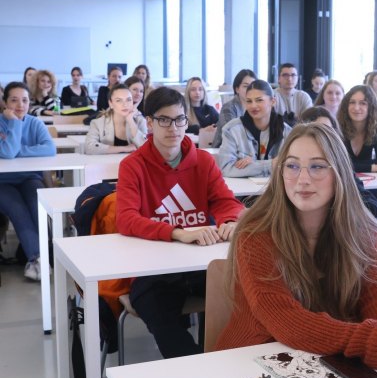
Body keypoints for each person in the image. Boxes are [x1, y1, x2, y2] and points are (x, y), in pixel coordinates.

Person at [215, 123, 377, 369]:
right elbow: (285, 319)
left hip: (329, 362)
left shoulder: (366, 234)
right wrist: (366, 339)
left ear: (340, 174)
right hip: (254, 363)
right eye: (292, 166)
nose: (303, 179)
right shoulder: (255, 235)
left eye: (317, 167)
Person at [116, 86, 244, 358]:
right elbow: (126, 219)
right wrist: (177, 232)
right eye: (164, 120)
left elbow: (225, 201)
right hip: (154, 271)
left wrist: (230, 220)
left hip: (199, 264)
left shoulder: (203, 162)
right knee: (159, 313)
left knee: (238, 293)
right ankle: (197, 373)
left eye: (179, 120)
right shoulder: (133, 165)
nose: (173, 128)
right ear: (149, 122)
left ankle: (222, 361)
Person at [0, 82, 56, 281]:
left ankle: (39, 257)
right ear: (5, 102)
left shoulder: (35, 122)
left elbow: (50, 148)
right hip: (3, 182)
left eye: (24, 100)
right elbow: (6, 152)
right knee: (17, 208)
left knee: (36, 205)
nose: (20, 105)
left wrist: (18, 152)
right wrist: (14, 123)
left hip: (30, 178)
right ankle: (38, 258)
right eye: (13, 100)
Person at [299, 106, 377, 218]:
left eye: (328, 131)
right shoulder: (290, 170)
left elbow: (375, 208)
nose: (323, 138)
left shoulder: (341, 169)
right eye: (315, 132)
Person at [337, 85, 377, 209]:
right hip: (342, 185)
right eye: (352, 102)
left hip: (365, 184)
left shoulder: (376, 129)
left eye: (363, 103)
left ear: (371, 107)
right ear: (346, 106)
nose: (356, 108)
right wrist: (375, 166)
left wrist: (363, 165)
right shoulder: (338, 128)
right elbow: (340, 164)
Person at [218, 79, 291, 177]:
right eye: (249, 101)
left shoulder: (287, 132)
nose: (253, 106)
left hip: (277, 190)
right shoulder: (232, 129)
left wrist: (253, 165)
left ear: (273, 101)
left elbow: (291, 167)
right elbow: (226, 169)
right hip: (245, 190)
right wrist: (270, 164)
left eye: (259, 100)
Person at [85, 83, 147, 154]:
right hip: (106, 164)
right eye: (119, 100)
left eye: (128, 100)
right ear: (111, 103)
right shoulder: (97, 123)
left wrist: (130, 121)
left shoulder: (140, 121)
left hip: (133, 164)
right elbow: (89, 148)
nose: (125, 104)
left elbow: (145, 148)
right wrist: (124, 149)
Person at [212, 69, 256, 147]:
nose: (249, 90)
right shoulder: (228, 108)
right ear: (237, 89)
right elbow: (231, 133)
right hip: (224, 150)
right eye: (245, 86)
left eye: (252, 86)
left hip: (248, 150)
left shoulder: (256, 108)